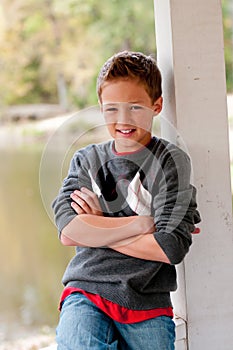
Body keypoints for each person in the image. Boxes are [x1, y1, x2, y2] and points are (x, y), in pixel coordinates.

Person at [52, 51, 201, 350]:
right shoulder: (87, 160)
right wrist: (142, 225)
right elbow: (69, 232)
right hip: (88, 288)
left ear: (155, 106)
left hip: (147, 300)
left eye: (134, 107)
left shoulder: (170, 161)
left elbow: (170, 247)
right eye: (111, 109)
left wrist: (99, 227)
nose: (123, 120)